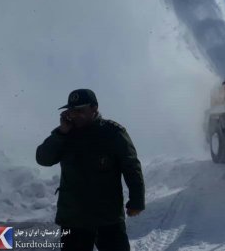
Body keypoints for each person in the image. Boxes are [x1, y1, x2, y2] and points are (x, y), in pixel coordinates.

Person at [36, 89, 145, 251]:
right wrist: (61, 133)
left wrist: (137, 201)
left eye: (80, 110)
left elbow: (131, 167)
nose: (75, 115)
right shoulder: (65, 134)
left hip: (107, 217)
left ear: (94, 108)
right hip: (73, 218)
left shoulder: (113, 133)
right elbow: (43, 159)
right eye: (71, 110)